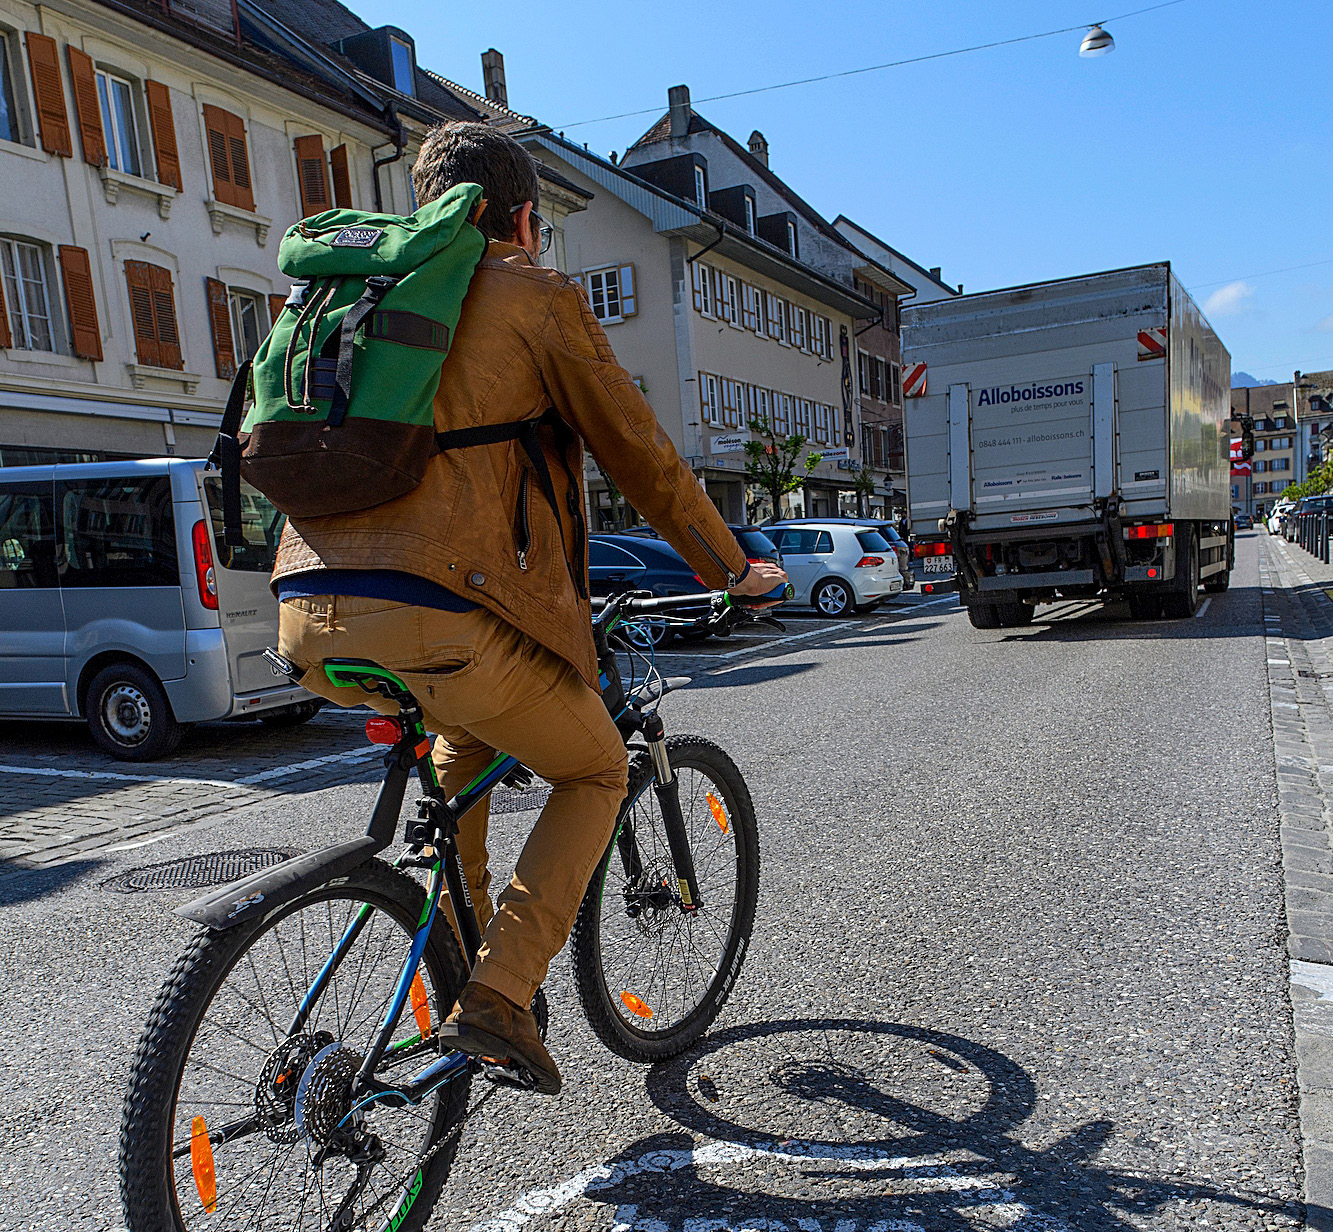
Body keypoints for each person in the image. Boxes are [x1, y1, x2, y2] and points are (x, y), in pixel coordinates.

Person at [273, 122, 787, 1094]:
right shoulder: (531, 291)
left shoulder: (349, 295)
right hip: (445, 615)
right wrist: (729, 569)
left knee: (462, 754)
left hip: (307, 607)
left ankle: (468, 974)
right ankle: (500, 995)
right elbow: (643, 458)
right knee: (594, 765)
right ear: (520, 219)